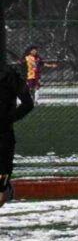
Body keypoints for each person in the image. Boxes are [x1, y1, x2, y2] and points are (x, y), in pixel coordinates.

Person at [0, 64, 35, 209]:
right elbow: (27, 104)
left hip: (3, 137)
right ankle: (5, 188)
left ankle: (5, 188)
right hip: (4, 135)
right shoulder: (11, 74)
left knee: (2, 179)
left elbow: (27, 103)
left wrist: (7, 119)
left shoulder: (10, 75)